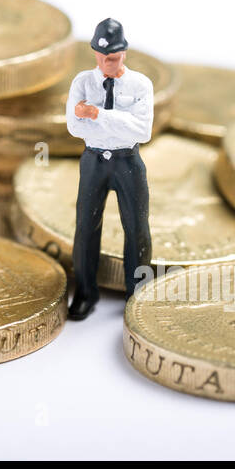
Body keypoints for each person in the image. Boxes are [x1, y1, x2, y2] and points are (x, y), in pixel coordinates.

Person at [65, 17, 153, 319]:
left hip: (128, 160)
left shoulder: (140, 85)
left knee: (137, 229)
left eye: (113, 58)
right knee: (86, 229)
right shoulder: (82, 82)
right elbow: (74, 126)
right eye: (102, 57)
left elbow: (142, 130)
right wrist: (114, 121)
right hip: (93, 161)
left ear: (124, 53)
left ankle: (137, 294)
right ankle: (86, 294)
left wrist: (97, 115)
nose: (107, 64)